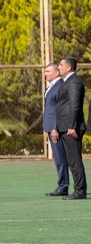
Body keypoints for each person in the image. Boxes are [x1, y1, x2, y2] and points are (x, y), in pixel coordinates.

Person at [54, 56, 86, 200]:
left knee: (74, 161)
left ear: (68, 68)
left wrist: (71, 126)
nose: (58, 67)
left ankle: (80, 191)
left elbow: (74, 105)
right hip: (65, 127)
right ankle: (78, 189)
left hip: (71, 128)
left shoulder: (74, 82)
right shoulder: (67, 82)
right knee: (72, 160)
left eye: (60, 65)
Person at [43, 63, 69, 196]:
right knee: (58, 157)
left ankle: (64, 185)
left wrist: (55, 128)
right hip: (50, 127)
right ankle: (62, 183)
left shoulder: (59, 87)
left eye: (48, 71)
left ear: (56, 73)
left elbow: (59, 110)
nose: (45, 74)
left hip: (56, 128)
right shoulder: (51, 87)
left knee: (60, 157)